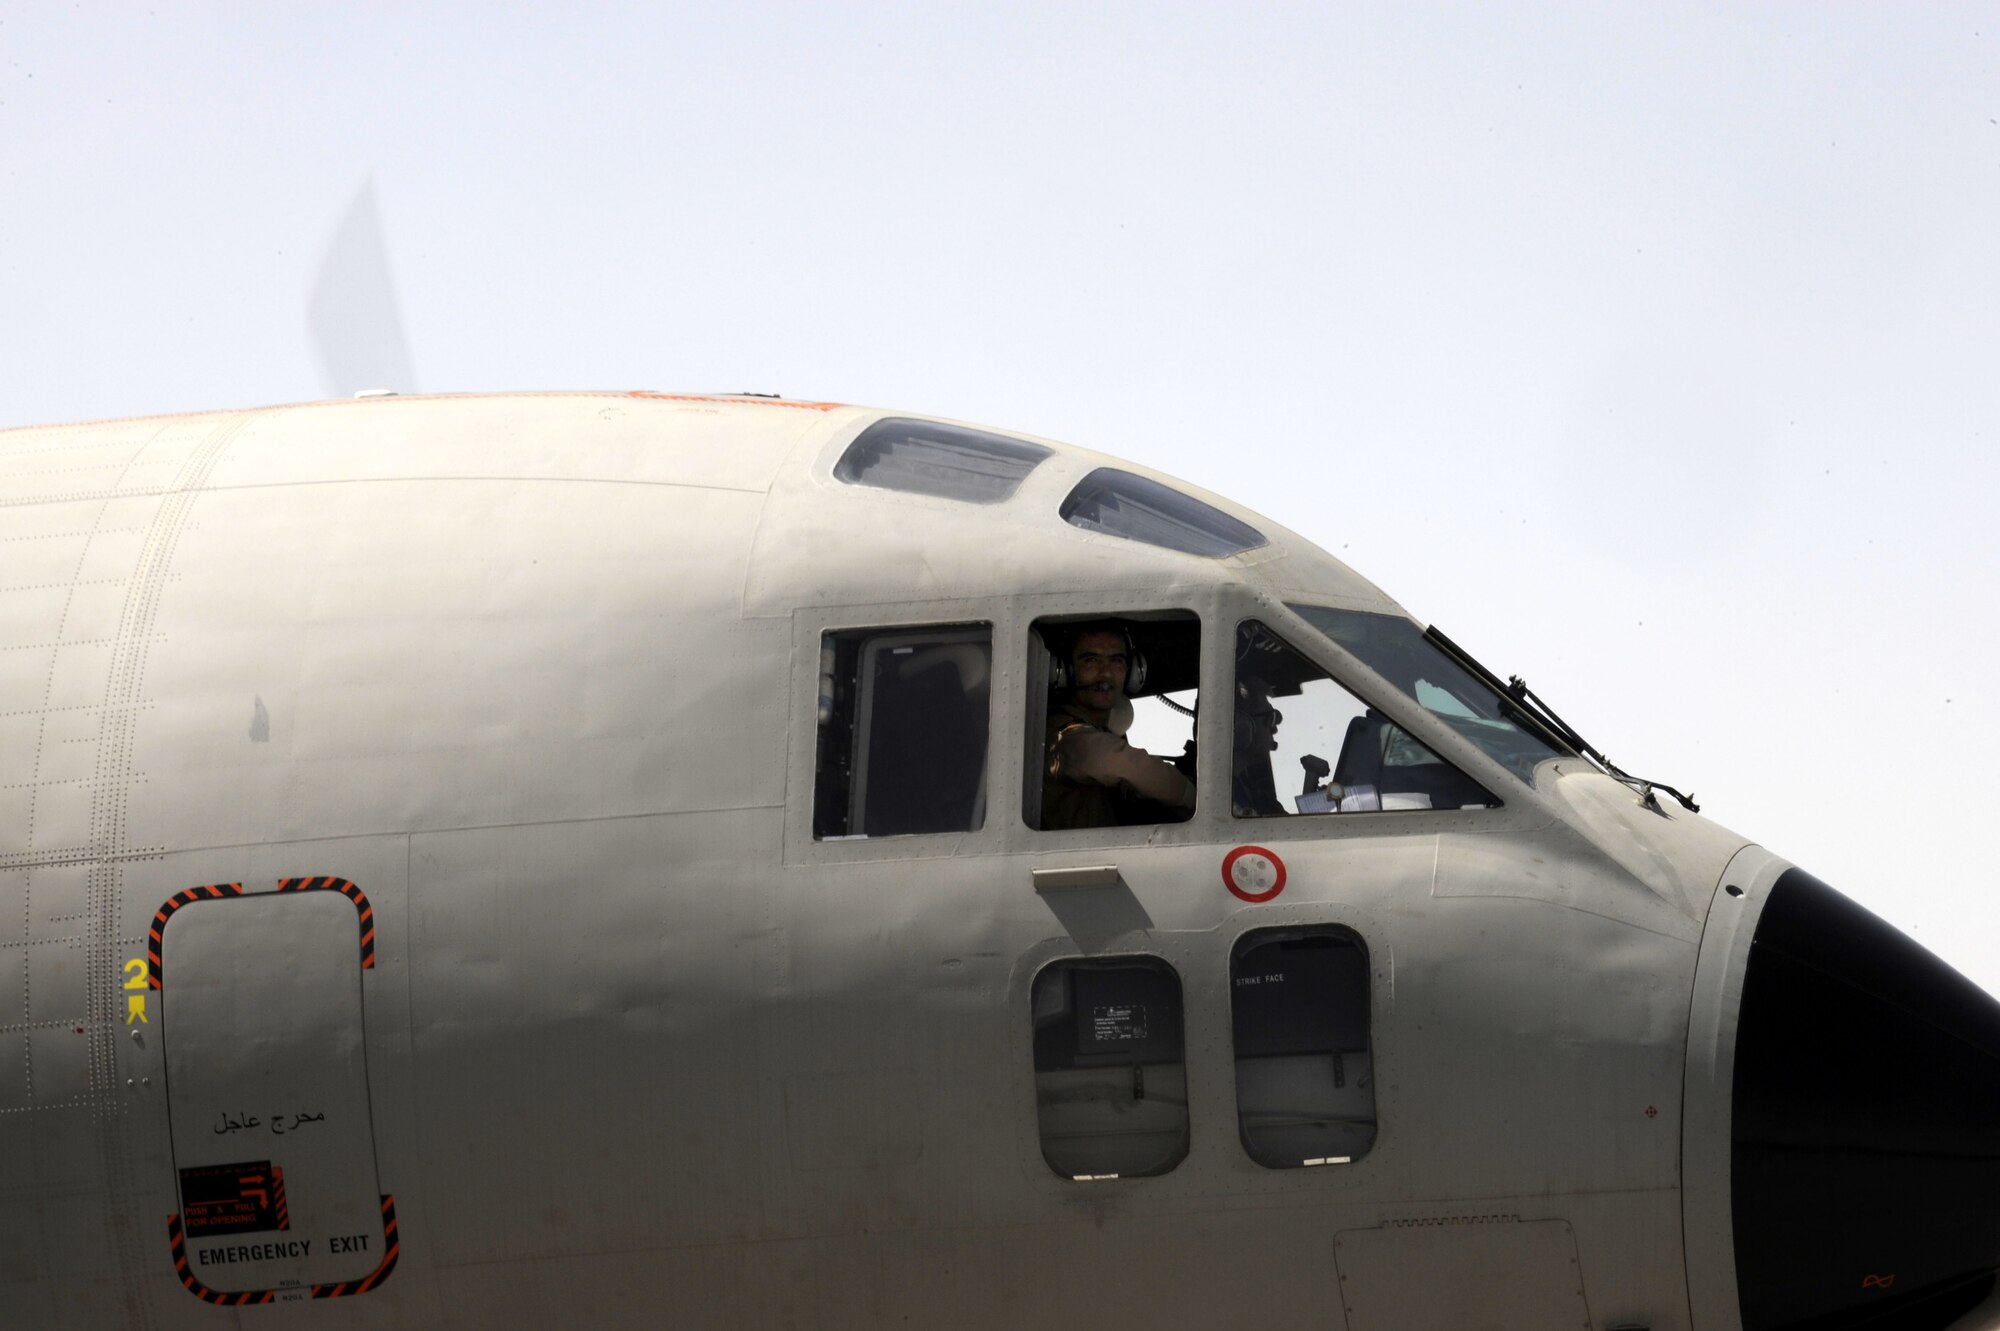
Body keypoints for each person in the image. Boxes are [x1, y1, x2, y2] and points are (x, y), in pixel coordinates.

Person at [1042, 625, 1196, 830]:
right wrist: (1195, 798)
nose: (1106, 673)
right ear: (1063, 670)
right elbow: (1120, 763)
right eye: (1091, 660)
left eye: (1117, 660)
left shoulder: (1099, 729)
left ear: (1131, 672)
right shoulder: (1061, 733)